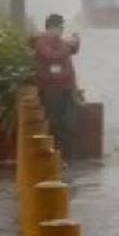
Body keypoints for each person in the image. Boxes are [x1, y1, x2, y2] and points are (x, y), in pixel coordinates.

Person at [31, 13, 81, 159]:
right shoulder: (42, 42)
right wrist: (67, 45)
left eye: (61, 27)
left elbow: (74, 50)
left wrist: (76, 41)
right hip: (51, 88)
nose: (61, 30)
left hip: (66, 87)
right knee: (55, 121)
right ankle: (56, 154)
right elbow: (53, 57)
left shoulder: (60, 41)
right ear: (51, 27)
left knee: (68, 121)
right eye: (59, 27)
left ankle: (65, 154)